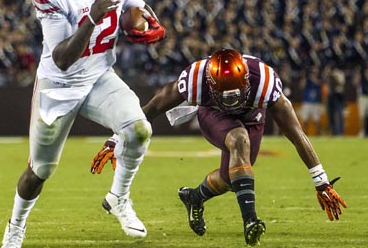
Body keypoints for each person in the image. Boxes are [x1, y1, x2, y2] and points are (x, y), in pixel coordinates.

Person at [1, 0, 166, 248]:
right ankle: (15, 226)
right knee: (41, 170)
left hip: (100, 77)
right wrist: (91, 18)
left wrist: (143, 17)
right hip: (59, 85)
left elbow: (131, 0)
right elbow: (62, 57)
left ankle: (118, 197)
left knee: (139, 130)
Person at [91, 49, 347, 246]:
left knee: (230, 177)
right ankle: (251, 221)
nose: (231, 101)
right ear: (211, 85)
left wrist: (321, 181)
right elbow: (152, 108)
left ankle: (194, 197)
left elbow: (296, 133)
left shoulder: (265, 82)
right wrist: (117, 138)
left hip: (252, 115)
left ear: (247, 81)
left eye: (236, 93)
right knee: (238, 140)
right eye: (225, 94)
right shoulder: (195, 79)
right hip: (213, 115)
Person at [299, 68, 324, 136]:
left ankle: (318, 135)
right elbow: (301, 86)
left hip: (315, 103)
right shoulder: (307, 81)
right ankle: (304, 135)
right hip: (307, 102)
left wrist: (314, 78)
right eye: (312, 73)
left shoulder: (318, 81)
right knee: (305, 120)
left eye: (315, 73)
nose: (313, 74)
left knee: (317, 121)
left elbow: (320, 83)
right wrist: (304, 76)